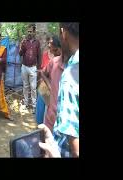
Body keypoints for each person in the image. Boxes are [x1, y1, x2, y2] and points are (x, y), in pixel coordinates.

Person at [39, 23, 79, 158]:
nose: (51, 47)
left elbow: (76, 150)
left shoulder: (71, 72)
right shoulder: (54, 62)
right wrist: (49, 85)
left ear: (63, 34)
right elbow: (42, 73)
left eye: (53, 46)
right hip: (51, 120)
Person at [40, 35, 64, 131]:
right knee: (45, 110)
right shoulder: (47, 56)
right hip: (45, 88)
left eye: (51, 43)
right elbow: (43, 71)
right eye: (49, 43)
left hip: (54, 89)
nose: (49, 45)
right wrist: (48, 85)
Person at [19, 24, 41, 114]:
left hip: (33, 68)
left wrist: (39, 68)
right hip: (24, 66)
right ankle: (26, 103)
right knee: (25, 86)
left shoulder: (37, 42)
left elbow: (39, 55)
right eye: (28, 31)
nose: (29, 33)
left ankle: (34, 105)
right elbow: (20, 54)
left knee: (33, 87)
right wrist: (21, 46)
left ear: (34, 32)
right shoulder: (24, 42)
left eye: (31, 31)